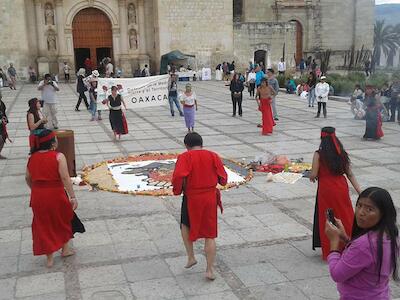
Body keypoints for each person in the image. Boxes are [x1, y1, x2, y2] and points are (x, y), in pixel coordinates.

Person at [172, 132, 228, 280]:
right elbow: (223, 179)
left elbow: (178, 176)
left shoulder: (185, 157)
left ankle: (191, 257)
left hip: (192, 198)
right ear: (201, 144)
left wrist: (177, 190)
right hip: (210, 197)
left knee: (185, 224)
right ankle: (210, 270)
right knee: (210, 234)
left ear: (186, 145)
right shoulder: (213, 155)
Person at [325, 187, 399, 299]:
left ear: (383, 213)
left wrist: (334, 243)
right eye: (359, 205)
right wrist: (345, 238)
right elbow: (367, 257)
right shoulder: (391, 235)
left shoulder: (363, 245)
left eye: (369, 209)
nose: (361, 213)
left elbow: (337, 275)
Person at [26, 129, 78, 267]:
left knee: (42, 224)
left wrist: (35, 189)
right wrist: (72, 196)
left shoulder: (32, 158)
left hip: (38, 194)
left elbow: (27, 178)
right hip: (56, 193)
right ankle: (65, 249)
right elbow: (65, 178)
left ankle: (49, 258)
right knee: (62, 219)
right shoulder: (58, 156)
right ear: (52, 142)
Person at [310, 126, 361, 260]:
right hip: (341, 187)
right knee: (345, 214)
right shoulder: (341, 153)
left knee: (328, 218)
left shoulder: (318, 154)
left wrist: (311, 175)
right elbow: (350, 174)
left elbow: (314, 174)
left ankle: (332, 249)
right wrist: (360, 191)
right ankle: (351, 245)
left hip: (326, 190)